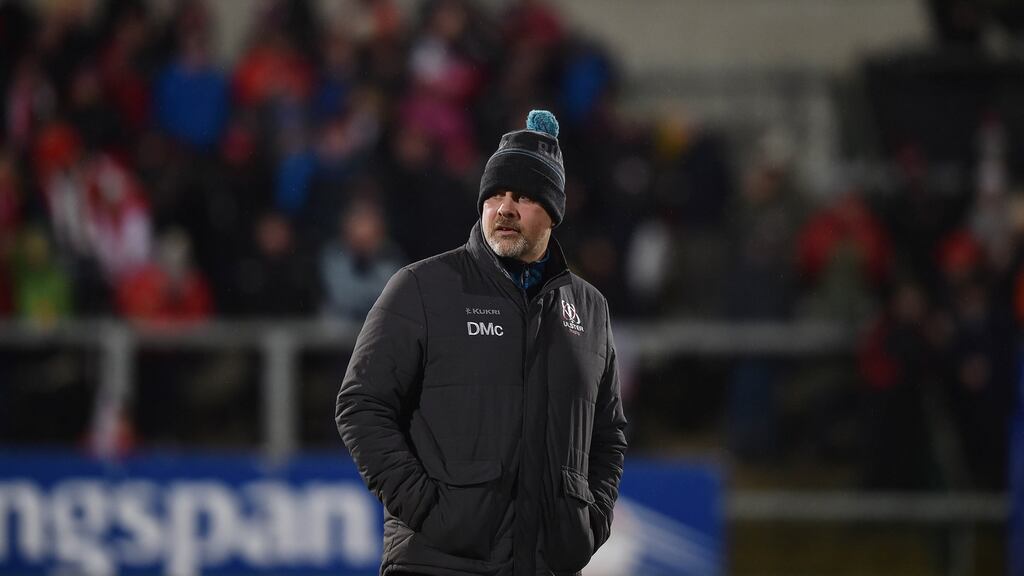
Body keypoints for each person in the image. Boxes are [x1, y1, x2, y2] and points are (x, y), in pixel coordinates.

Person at [336, 110, 627, 576]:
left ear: (553, 212)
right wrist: (430, 510)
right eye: (496, 194)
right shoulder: (422, 288)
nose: (505, 208)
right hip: (437, 562)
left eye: (525, 196)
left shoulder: (590, 310)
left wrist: (588, 524)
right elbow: (361, 405)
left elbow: (608, 434)